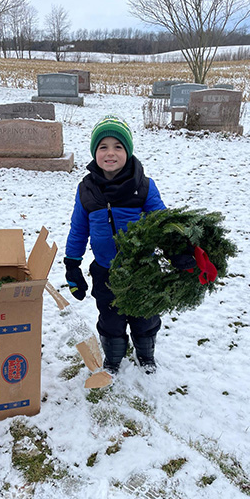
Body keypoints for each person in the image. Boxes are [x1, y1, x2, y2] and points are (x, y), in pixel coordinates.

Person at [64, 115, 167, 374]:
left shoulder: (143, 186)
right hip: (105, 270)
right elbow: (79, 229)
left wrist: (178, 252)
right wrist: (72, 265)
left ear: (128, 151)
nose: (110, 153)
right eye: (103, 147)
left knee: (145, 317)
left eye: (118, 146)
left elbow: (162, 223)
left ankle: (146, 355)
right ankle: (113, 358)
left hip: (142, 269)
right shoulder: (87, 190)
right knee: (110, 319)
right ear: (95, 152)